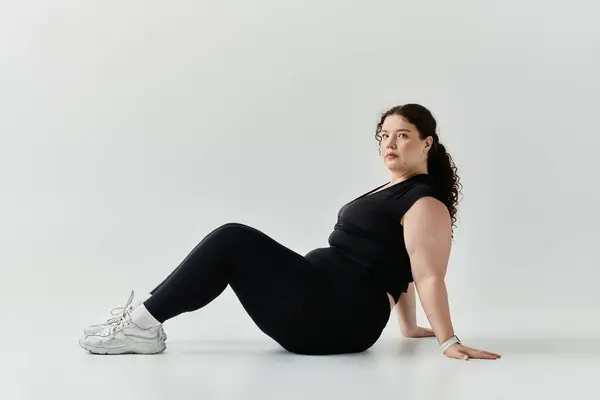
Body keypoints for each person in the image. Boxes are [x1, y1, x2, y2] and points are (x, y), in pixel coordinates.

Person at [78, 103, 501, 361]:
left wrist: (448, 341)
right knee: (232, 241)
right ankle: (141, 321)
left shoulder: (425, 202)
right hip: (323, 300)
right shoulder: (394, 191)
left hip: (335, 316)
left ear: (427, 143)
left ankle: (140, 325)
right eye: (384, 135)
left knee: (232, 238)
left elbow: (426, 273)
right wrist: (407, 328)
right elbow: (397, 265)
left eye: (403, 136)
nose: (390, 143)